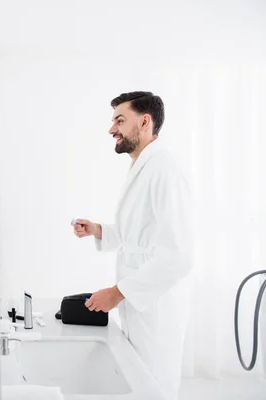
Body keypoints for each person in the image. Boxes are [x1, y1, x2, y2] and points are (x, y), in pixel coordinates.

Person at [72, 92, 193, 400]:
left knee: (155, 387)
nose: (112, 129)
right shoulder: (145, 166)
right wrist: (99, 231)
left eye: (119, 120)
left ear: (144, 121)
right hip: (141, 304)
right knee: (138, 383)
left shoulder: (164, 169)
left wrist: (118, 292)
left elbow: (177, 255)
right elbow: (141, 235)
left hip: (155, 307)